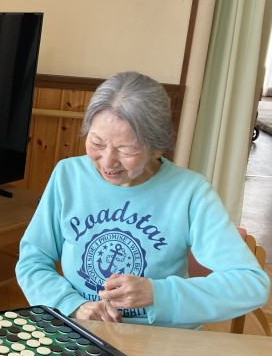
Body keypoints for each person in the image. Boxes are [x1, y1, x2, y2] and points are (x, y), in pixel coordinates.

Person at [15, 71, 270, 329]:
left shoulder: (190, 192)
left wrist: (157, 294)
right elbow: (32, 261)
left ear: (156, 148)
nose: (108, 161)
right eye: (97, 143)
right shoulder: (68, 175)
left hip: (164, 337)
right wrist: (74, 305)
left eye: (126, 150)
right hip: (82, 332)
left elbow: (251, 285)